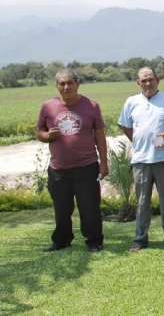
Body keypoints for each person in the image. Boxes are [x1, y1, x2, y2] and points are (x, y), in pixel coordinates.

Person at [36, 69, 108, 253]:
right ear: (57, 86)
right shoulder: (48, 106)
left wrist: (103, 163)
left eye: (70, 83)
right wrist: (48, 135)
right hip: (58, 168)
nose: (66, 87)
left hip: (86, 166)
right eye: (62, 83)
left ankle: (94, 241)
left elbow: (99, 135)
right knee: (61, 209)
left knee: (89, 208)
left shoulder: (91, 106)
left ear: (77, 84)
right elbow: (39, 132)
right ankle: (61, 240)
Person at [118, 67, 164, 251]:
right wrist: (138, 141)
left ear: (157, 79)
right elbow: (126, 127)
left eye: (150, 79)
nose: (147, 83)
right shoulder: (131, 102)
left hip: (163, 158)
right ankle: (140, 239)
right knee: (142, 202)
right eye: (143, 81)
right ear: (138, 83)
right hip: (141, 159)